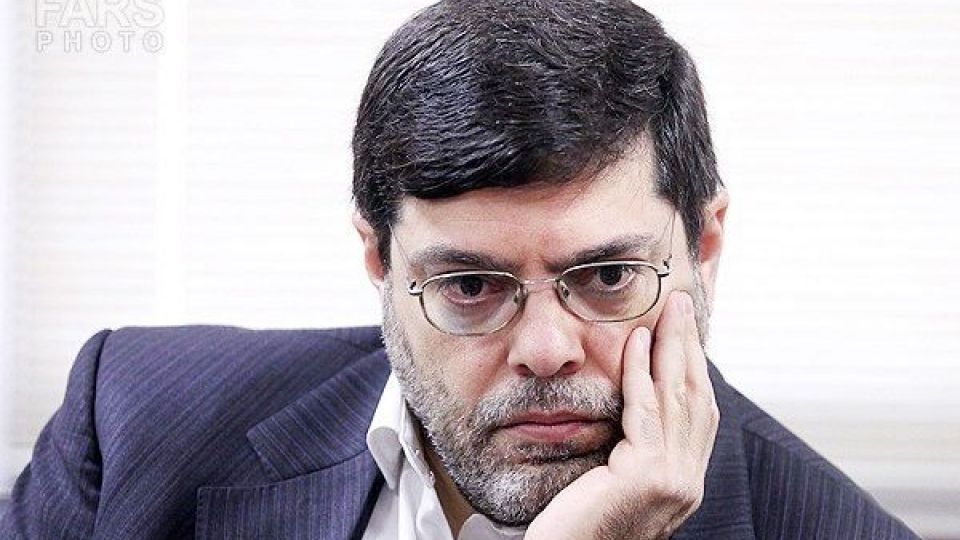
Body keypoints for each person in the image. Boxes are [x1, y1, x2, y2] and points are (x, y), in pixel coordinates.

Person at [1, 0, 919, 538]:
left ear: (703, 248)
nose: (548, 350)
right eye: (472, 287)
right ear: (377, 255)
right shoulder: (135, 421)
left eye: (606, 276)